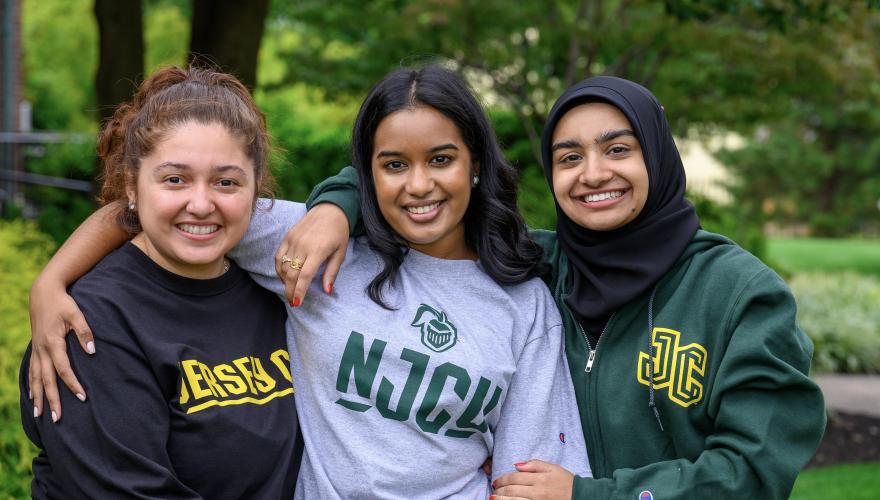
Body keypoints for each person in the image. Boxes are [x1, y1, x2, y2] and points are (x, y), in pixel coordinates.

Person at [26, 65, 591, 498]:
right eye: (393, 164)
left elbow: (528, 476)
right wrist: (51, 284)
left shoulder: (524, 303)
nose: (419, 185)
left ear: (475, 163)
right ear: (366, 173)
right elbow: (154, 208)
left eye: (441, 160)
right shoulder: (314, 243)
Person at [249, 75, 827, 499]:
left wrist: (592, 497)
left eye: (618, 149)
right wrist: (337, 204)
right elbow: (413, 181)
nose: (594, 173)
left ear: (658, 154)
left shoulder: (738, 294)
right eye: (569, 156)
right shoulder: (539, 262)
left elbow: (754, 472)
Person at [19, 66, 299, 498]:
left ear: (255, 190)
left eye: (226, 182)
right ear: (132, 185)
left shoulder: (274, 287)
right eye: (175, 180)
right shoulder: (90, 322)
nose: (201, 203)